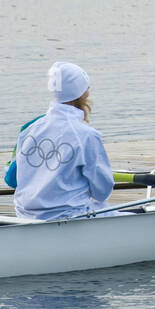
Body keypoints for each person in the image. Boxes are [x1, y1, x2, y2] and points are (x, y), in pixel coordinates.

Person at [13, 62, 116, 220]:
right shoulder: (87, 135)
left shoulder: (30, 130)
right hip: (71, 217)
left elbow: (18, 179)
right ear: (84, 93)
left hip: (25, 216)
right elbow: (102, 191)